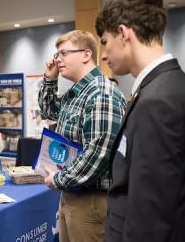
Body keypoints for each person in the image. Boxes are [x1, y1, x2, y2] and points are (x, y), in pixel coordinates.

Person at [95, 0, 185, 242]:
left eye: (104, 42)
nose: (103, 55)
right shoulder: (170, 86)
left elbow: (149, 217)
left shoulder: (158, 101)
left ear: (124, 34)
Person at [39, 30, 126, 242]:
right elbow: (50, 112)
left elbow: (97, 154)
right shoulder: (79, 91)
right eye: (57, 54)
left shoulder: (100, 93)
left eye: (63, 53)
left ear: (86, 55)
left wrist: (59, 179)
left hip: (91, 200)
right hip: (73, 192)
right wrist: (50, 80)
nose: (56, 59)